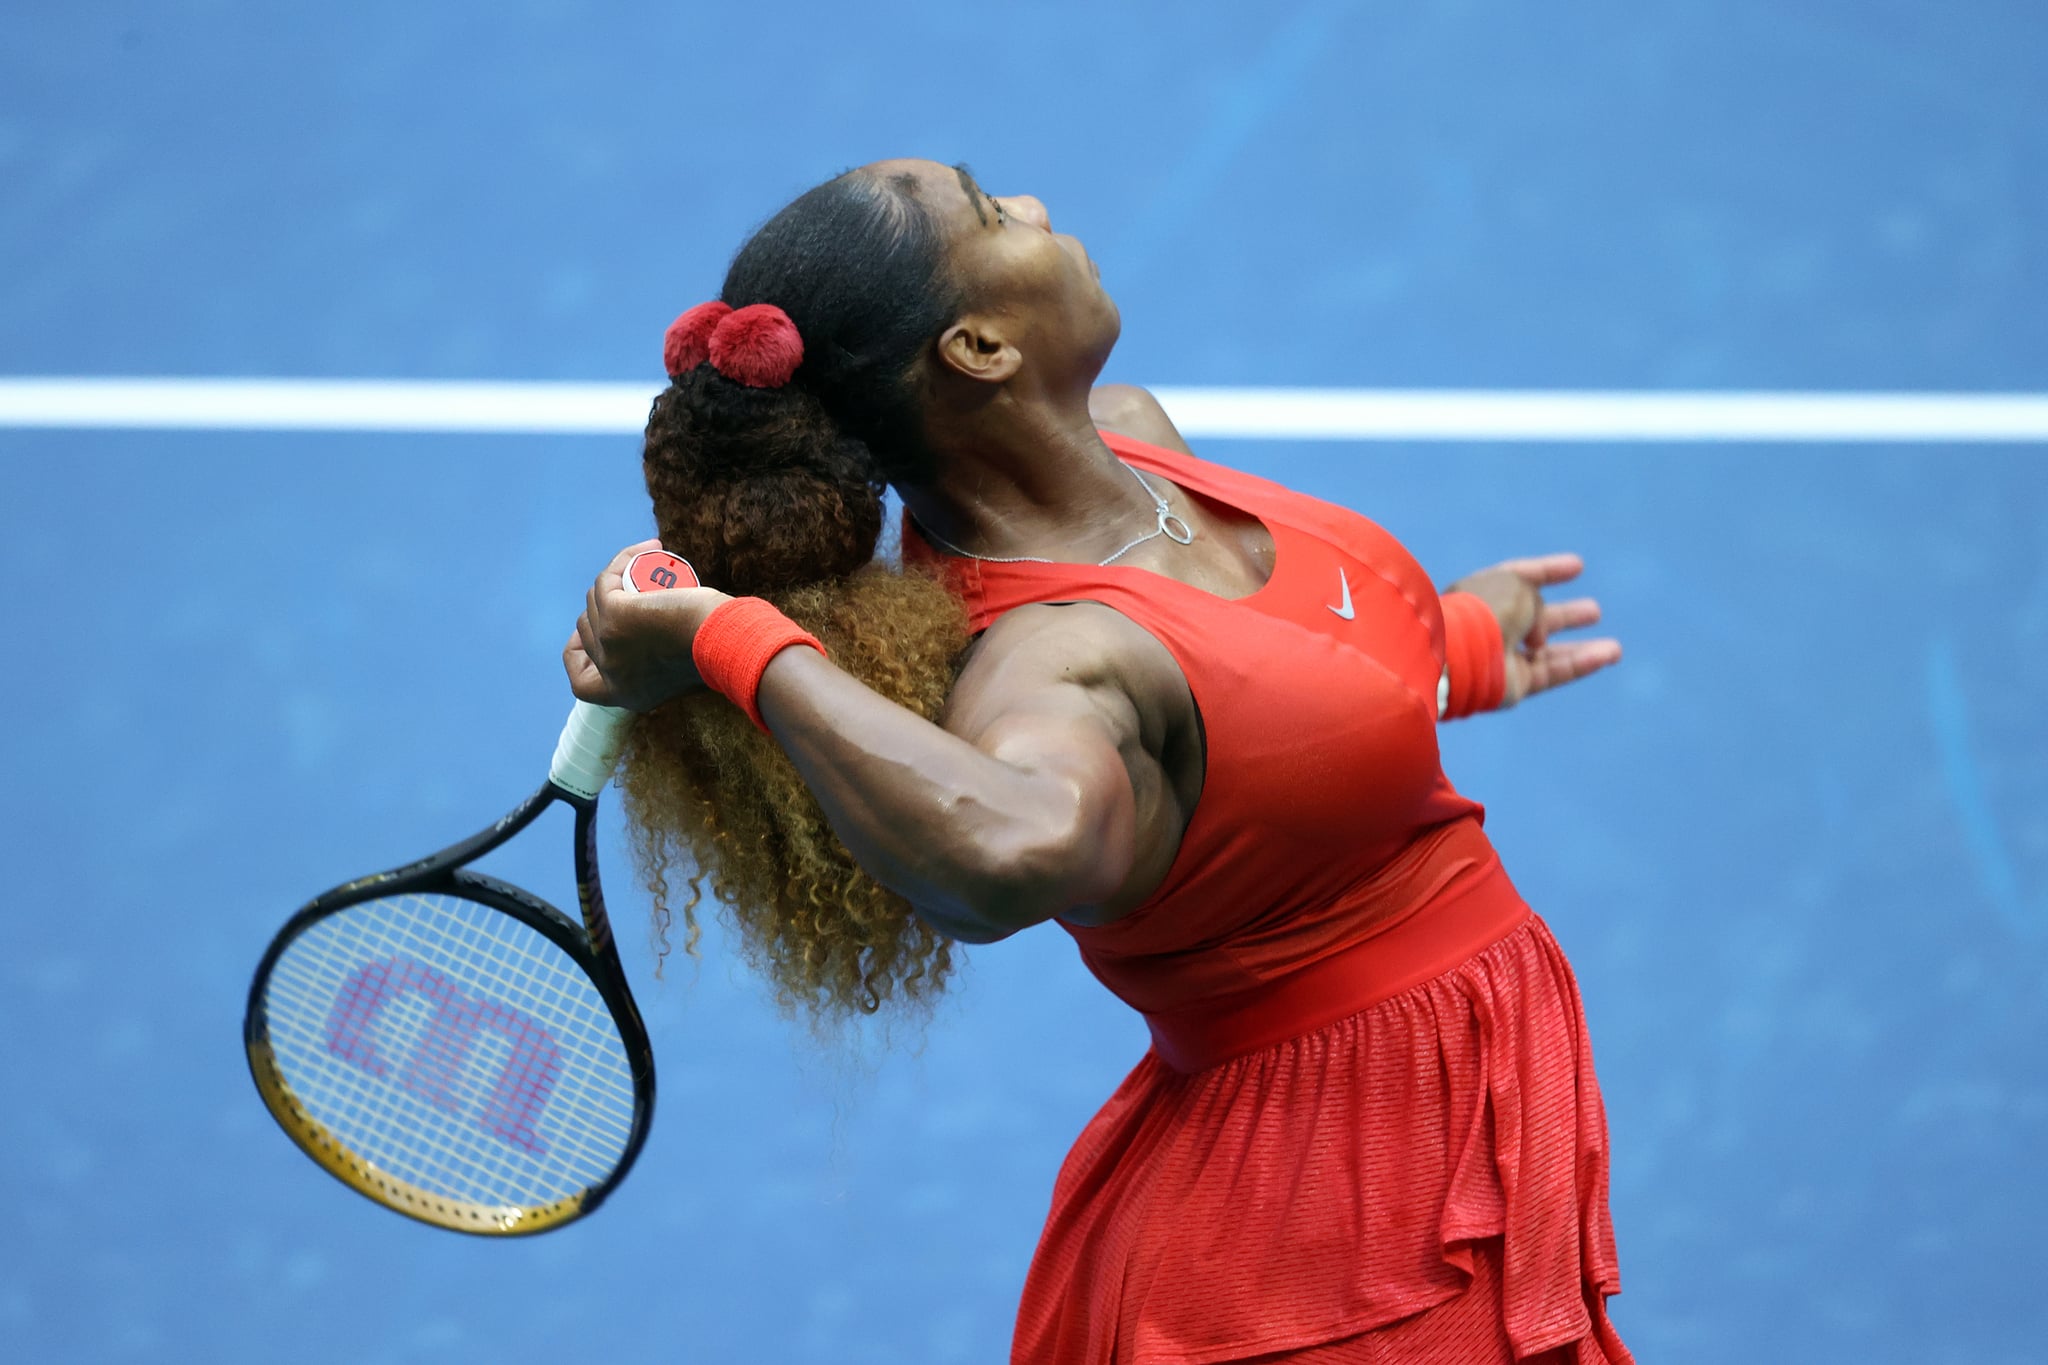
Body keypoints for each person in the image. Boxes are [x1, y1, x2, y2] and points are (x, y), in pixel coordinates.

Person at [566, 158, 1630, 1364]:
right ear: (976, 348)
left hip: (1429, 1128)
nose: (1027, 203)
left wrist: (1456, 650)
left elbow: (1257, 702)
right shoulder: (1050, 663)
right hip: (1324, 1230)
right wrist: (735, 641)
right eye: (985, 208)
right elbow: (1007, 850)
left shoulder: (1135, 444)